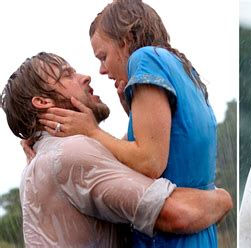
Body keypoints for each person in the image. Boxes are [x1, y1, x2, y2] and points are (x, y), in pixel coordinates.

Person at [37, 0, 222, 247]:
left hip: (170, 238)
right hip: (200, 232)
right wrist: (132, 116)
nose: (101, 70)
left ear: (127, 39)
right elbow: (178, 147)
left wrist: (92, 131)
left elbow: (150, 162)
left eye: (103, 56)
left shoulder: (145, 59)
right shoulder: (183, 69)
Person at [0, 52, 232, 247]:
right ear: (42, 102)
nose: (86, 77)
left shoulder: (38, 164)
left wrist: (139, 120)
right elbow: (176, 214)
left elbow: (103, 168)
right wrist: (222, 199)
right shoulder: (70, 153)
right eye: (67, 75)